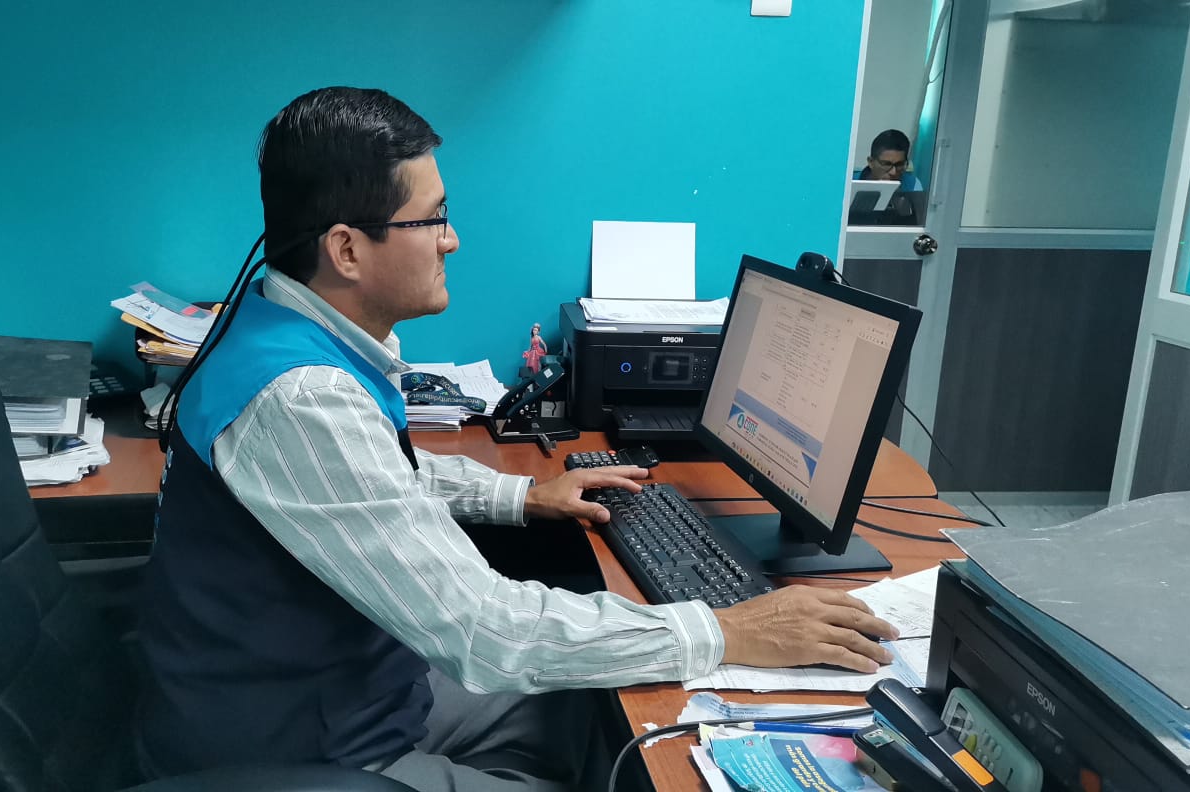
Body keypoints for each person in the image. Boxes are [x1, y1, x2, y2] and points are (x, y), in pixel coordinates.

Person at [136, 86, 899, 792]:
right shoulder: (302, 396)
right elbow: (485, 632)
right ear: (346, 250)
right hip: (301, 750)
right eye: (432, 219)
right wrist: (726, 630)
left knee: (595, 706)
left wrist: (524, 495)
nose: (452, 240)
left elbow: (373, 480)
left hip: (344, 688)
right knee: (624, 733)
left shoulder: (277, 329)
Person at [856, 128, 924, 192]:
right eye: (886, 164)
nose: (893, 172)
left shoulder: (912, 185)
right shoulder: (851, 182)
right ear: (871, 162)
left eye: (899, 165)